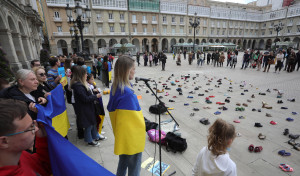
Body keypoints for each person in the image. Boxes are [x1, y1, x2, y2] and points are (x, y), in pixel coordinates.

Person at [107, 56, 145, 176]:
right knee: (134, 168)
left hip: (122, 135)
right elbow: (135, 119)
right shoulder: (127, 93)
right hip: (131, 137)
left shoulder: (116, 87)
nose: (135, 71)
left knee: (123, 162)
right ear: (127, 71)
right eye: (133, 68)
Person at [0, 99, 52, 175]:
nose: (36, 129)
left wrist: (42, 139)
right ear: (4, 141)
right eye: (30, 128)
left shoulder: (18, 154)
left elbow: (42, 167)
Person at [71, 66, 102, 146]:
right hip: (84, 108)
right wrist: (96, 96)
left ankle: (95, 136)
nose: (86, 76)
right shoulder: (78, 86)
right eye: (85, 74)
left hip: (88, 107)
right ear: (81, 75)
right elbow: (84, 98)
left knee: (93, 123)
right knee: (88, 125)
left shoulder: (81, 84)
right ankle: (89, 140)